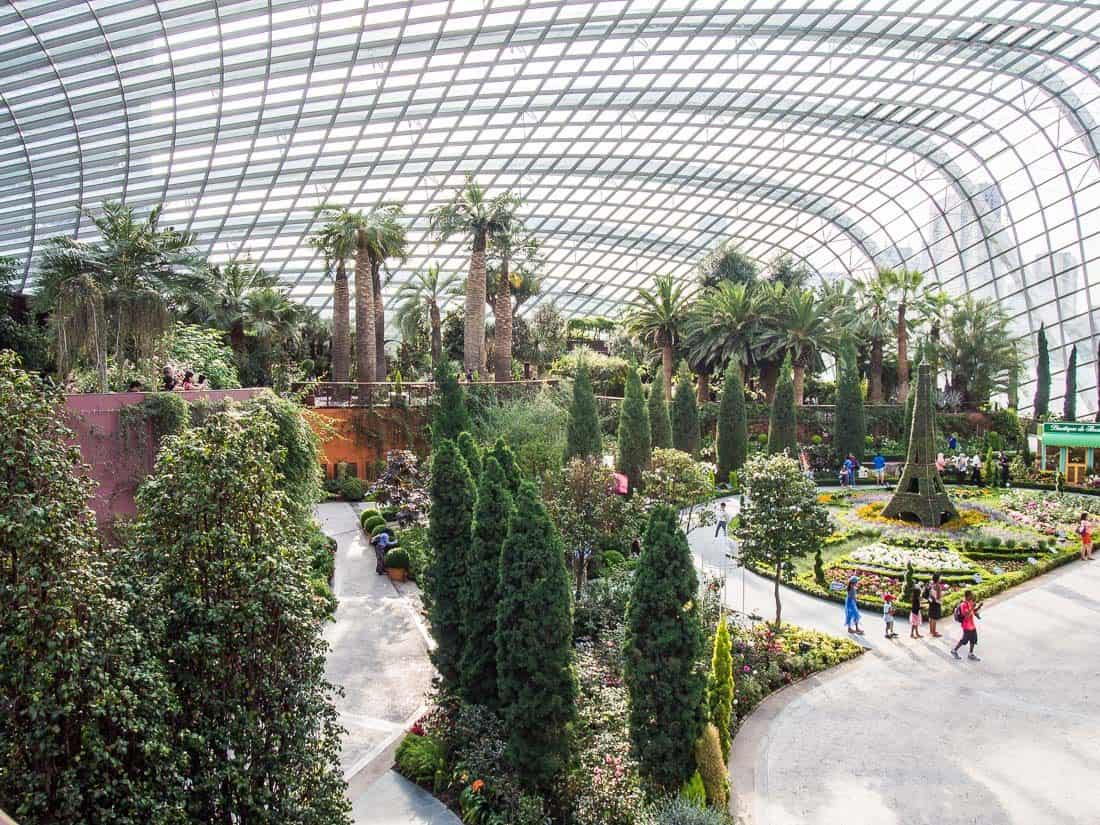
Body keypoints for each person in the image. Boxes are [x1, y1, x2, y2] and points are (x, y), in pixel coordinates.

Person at [952, 590, 983, 660]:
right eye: (971, 595)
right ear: (968, 596)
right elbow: (966, 615)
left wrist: (979, 607)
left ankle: (970, 654)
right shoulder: (963, 605)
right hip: (966, 625)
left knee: (973, 639)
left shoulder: (971, 602)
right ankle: (954, 650)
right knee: (964, 640)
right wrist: (972, 607)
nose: (972, 596)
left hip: (972, 625)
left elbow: (974, 611)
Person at [926, 572, 945, 637]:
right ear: (938, 578)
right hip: (936, 603)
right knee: (934, 618)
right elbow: (938, 597)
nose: (940, 579)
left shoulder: (932, 584)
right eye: (940, 577)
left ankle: (931, 631)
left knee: (931, 617)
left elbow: (931, 594)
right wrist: (943, 594)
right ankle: (934, 632)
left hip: (931, 602)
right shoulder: (938, 586)